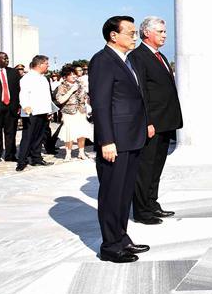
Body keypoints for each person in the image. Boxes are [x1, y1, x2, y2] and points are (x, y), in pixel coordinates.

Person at [89, 16, 150, 263]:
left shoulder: (126, 61)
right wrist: (106, 140)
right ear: (114, 35)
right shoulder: (102, 61)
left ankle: (122, 237)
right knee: (112, 193)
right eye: (131, 33)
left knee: (125, 193)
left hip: (132, 137)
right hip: (115, 140)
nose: (135, 37)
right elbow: (101, 104)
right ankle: (111, 246)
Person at [131, 17, 183, 224]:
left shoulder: (158, 56)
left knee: (156, 168)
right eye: (160, 31)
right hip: (152, 123)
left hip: (165, 122)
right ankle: (142, 211)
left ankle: (152, 203)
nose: (165, 35)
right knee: (145, 168)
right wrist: (147, 121)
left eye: (164, 31)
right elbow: (141, 91)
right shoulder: (138, 56)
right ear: (147, 33)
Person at [15, 55, 54, 172]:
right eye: (46, 63)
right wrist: (25, 105)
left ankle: (36, 158)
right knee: (28, 137)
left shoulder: (43, 78)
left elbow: (47, 96)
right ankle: (22, 161)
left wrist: (49, 110)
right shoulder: (27, 78)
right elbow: (23, 94)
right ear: (40, 64)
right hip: (32, 111)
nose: (48, 66)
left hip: (43, 111)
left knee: (39, 137)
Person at [55, 63, 92, 160]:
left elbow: (86, 97)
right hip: (69, 112)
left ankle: (81, 152)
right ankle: (68, 153)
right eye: (70, 75)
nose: (73, 76)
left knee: (82, 132)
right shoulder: (62, 87)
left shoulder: (80, 85)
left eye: (74, 74)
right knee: (69, 132)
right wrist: (71, 90)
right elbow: (60, 100)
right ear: (65, 77)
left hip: (81, 111)